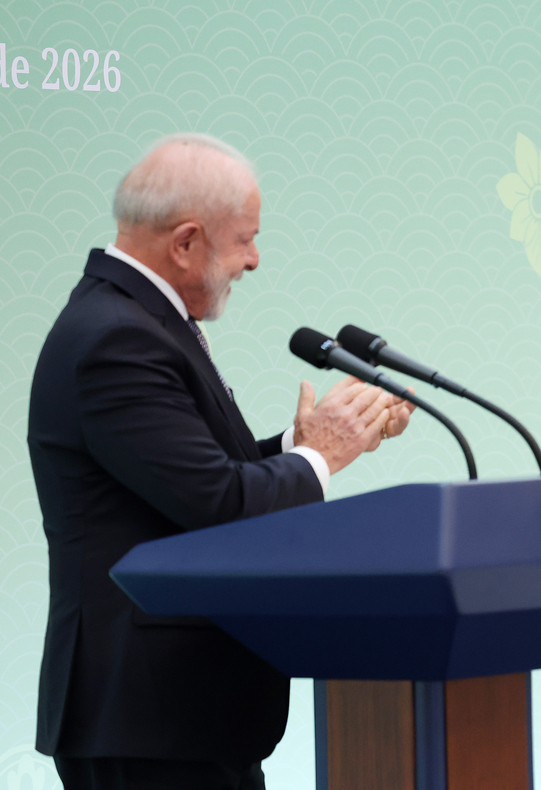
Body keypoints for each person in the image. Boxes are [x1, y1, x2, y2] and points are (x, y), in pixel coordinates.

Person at [28, 133, 415, 790]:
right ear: (185, 243)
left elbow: (187, 481)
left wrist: (303, 448)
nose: (255, 260)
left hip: (178, 717)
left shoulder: (134, 320)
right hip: (149, 719)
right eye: (245, 239)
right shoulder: (116, 339)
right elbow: (219, 505)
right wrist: (323, 455)